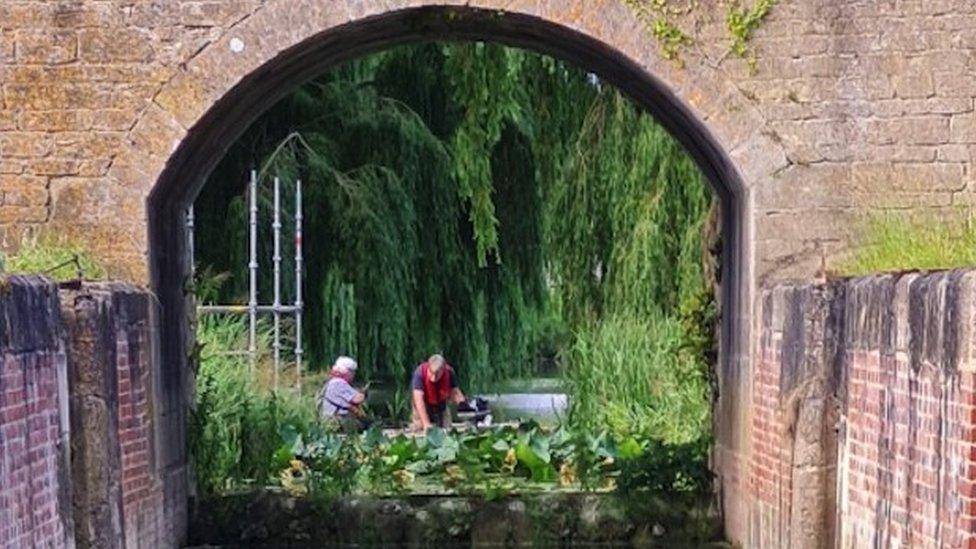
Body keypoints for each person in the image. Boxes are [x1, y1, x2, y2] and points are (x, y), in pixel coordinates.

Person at [411, 354, 466, 432]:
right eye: (431, 373)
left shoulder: (449, 372)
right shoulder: (419, 373)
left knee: (448, 431)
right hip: (423, 406)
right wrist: (426, 424)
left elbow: (455, 391)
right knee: (421, 429)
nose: (433, 378)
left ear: (443, 370)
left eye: (437, 374)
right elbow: (418, 400)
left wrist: (462, 403)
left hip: (441, 406)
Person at [318, 356, 367, 431]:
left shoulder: (332, 382)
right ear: (346, 372)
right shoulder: (339, 383)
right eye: (352, 372)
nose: (353, 375)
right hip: (336, 421)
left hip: (329, 420)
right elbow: (357, 399)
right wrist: (365, 392)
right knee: (369, 425)